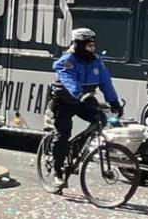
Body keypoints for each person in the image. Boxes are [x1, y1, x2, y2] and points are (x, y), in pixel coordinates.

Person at [48, 28, 122, 180]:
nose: (92, 49)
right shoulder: (67, 61)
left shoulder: (96, 61)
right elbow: (69, 80)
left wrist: (114, 102)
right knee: (63, 134)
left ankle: (74, 149)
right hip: (65, 101)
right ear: (79, 45)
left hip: (84, 101)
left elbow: (106, 82)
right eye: (89, 46)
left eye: (93, 46)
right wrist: (81, 95)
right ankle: (57, 169)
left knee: (100, 120)